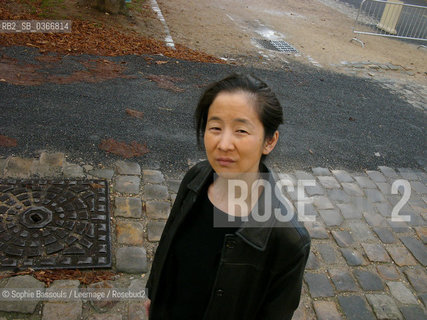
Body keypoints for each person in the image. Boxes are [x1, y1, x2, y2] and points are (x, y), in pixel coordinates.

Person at [144, 73, 311, 320]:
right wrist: (153, 293)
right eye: (215, 127)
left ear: (269, 141)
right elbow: (168, 243)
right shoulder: (196, 178)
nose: (223, 143)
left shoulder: (287, 238)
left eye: (241, 130)